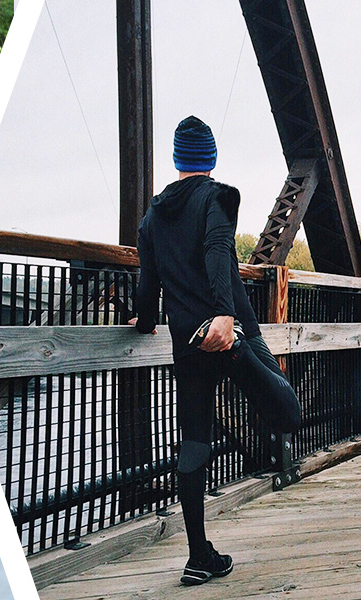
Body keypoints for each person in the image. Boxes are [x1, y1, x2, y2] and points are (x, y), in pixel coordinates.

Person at [131, 115, 301, 586]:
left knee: (195, 443)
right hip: (231, 332)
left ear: (176, 159)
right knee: (287, 413)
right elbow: (215, 248)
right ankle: (239, 355)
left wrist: (143, 322)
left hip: (187, 344)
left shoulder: (151, 216)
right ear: (210, 158)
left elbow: (148, 284)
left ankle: (198, 556)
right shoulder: (220, 197)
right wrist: (227, 318)